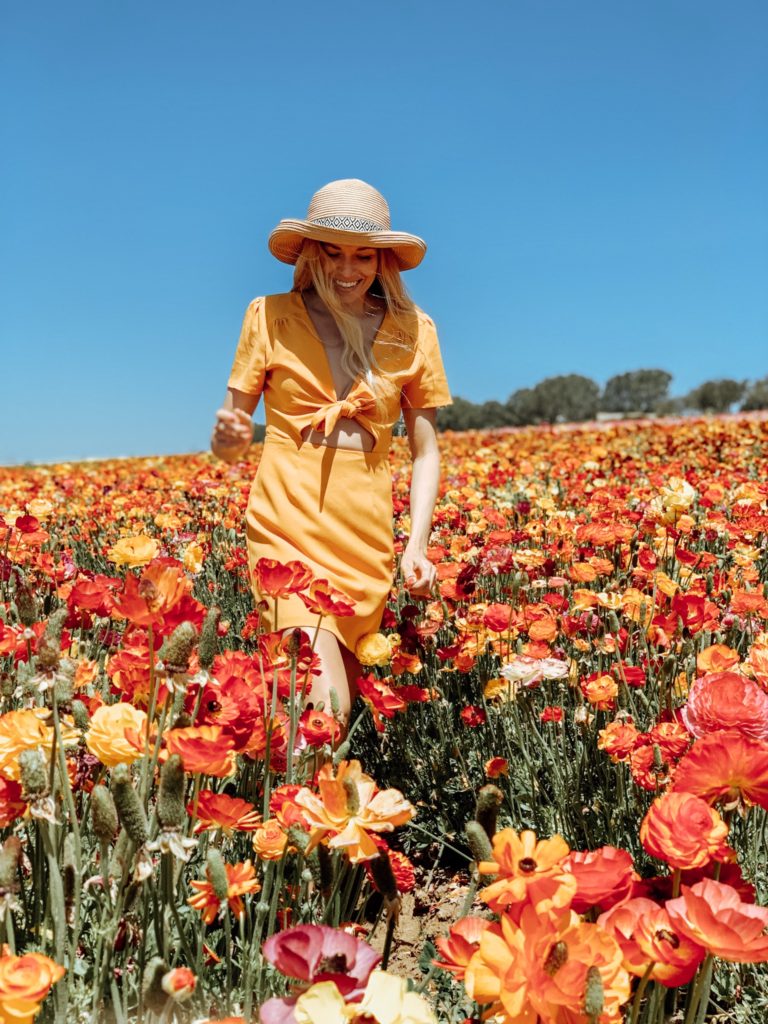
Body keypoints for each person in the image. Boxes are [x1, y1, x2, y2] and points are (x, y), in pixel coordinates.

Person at [211, 179, 451, 728]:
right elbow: (229, 437)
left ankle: (295, 808)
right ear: (312, 254)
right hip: (286, 524)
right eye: (333, 252)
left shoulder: (414, 331)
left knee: (323, 721)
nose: (348, 268)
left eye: (363, 254)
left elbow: (426, 452)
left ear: (382, 259)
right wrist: (227, 439)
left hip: (363, 534)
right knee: (322, 703)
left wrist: (416, 544)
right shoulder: (268, 316)